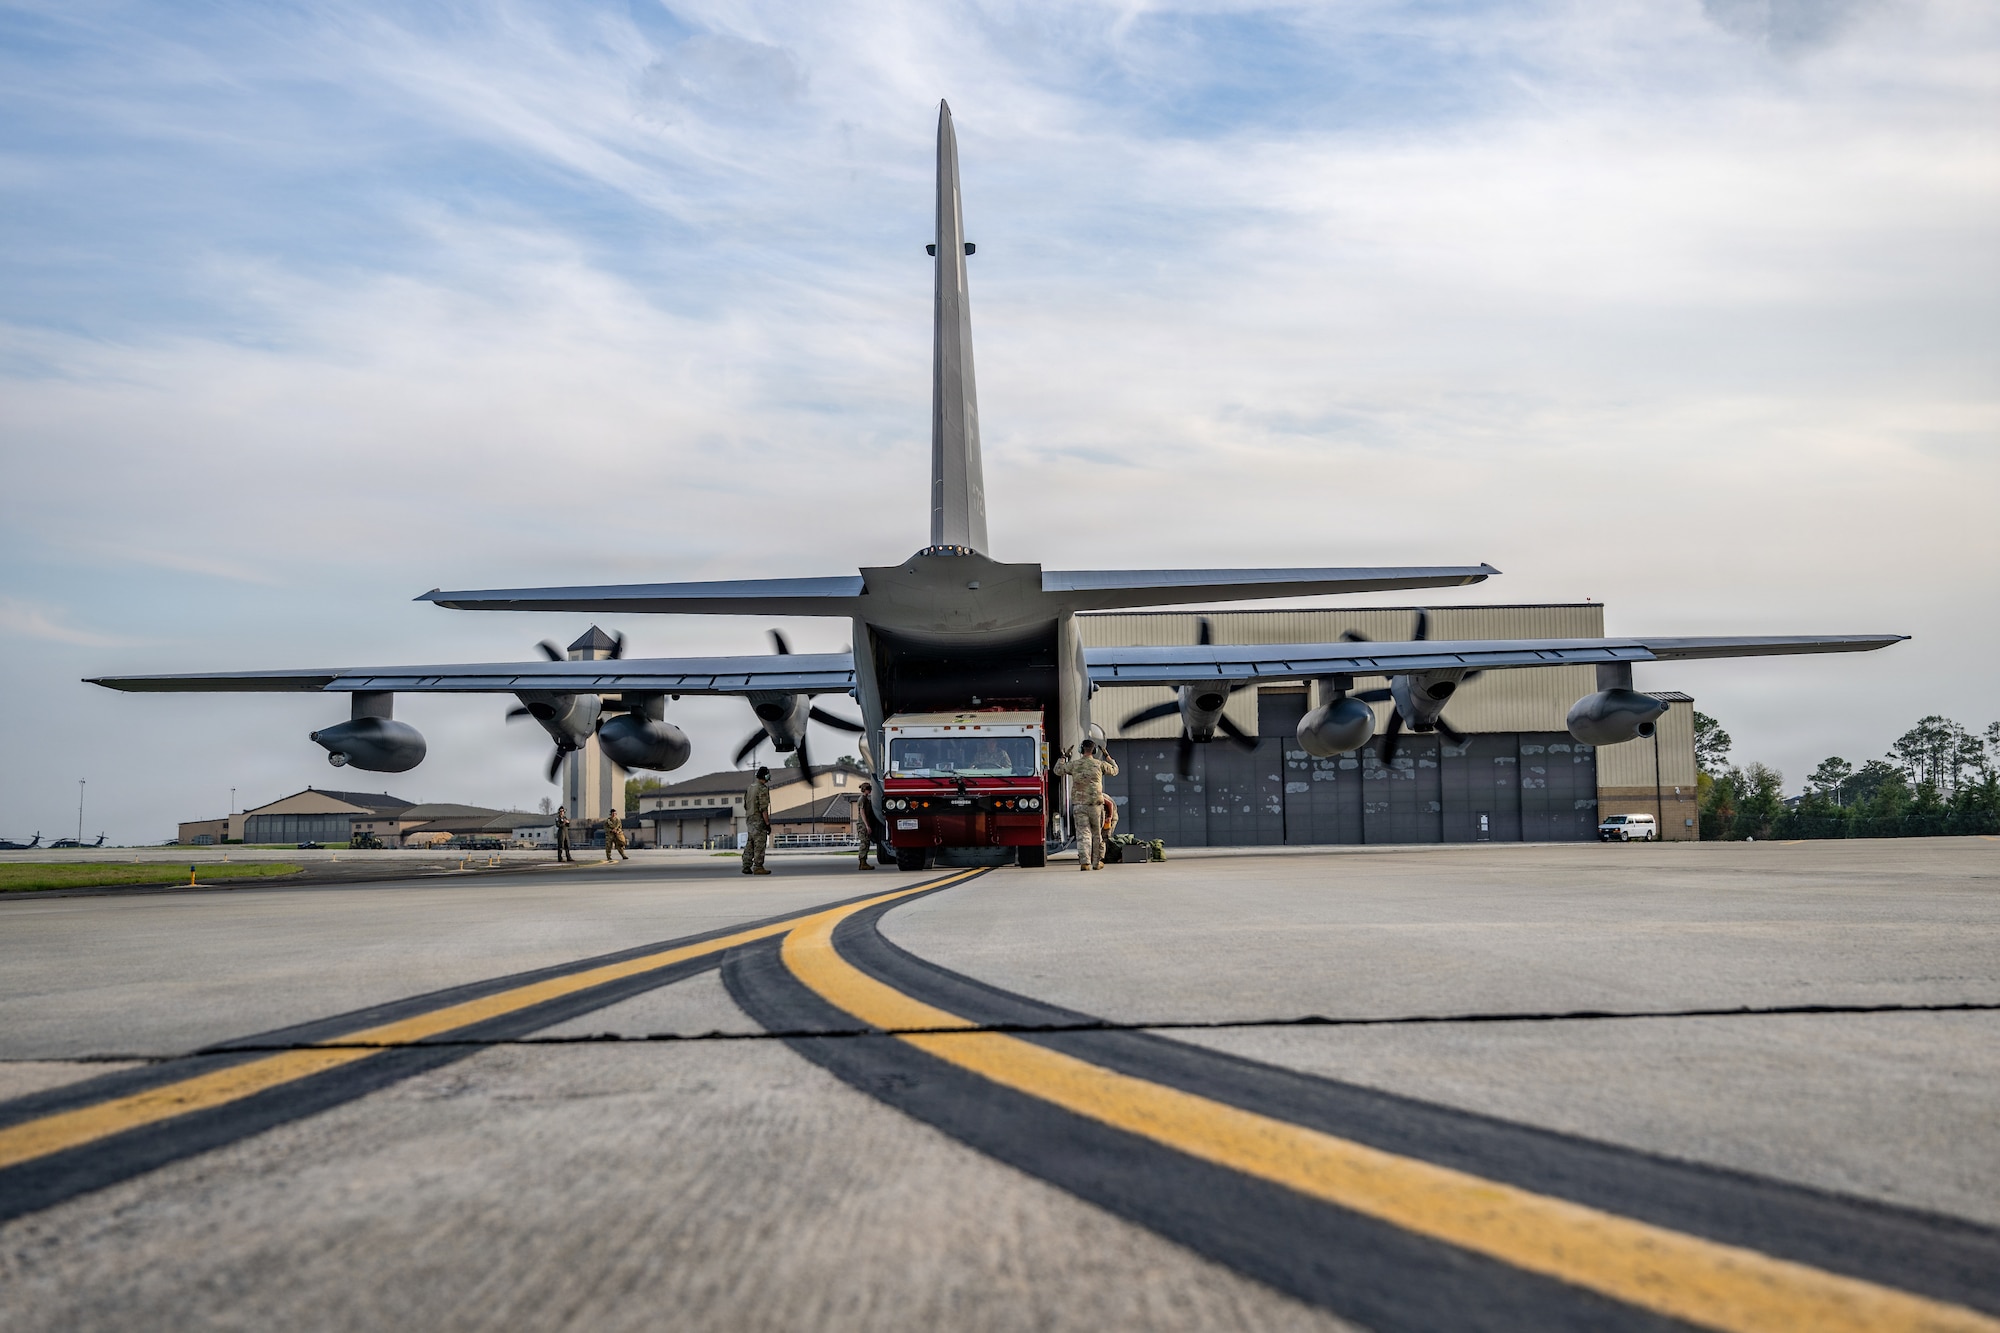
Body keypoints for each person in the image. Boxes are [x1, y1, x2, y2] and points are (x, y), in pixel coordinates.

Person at [1052, 738, 1118, 872]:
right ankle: (1097, 862)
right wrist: (1107, 756)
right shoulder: (1100, 764)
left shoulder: (1075, 765)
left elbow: (1057, 770)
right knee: (1097, 834)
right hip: (1096, 805)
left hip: (1079, 805)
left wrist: (1063, 757)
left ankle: (1085, 863)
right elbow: (1115, 770)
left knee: (1083, 834)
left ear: (1081, 750)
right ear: (1094, 750)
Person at [742, 766, 773, 875]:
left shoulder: (750, 787)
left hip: (749, 819)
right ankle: (758, 866)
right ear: (766, 776)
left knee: (750, 843)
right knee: (760, 844)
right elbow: (763, 808)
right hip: (758, 820)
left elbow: (745, 805)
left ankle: (746, 865)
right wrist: (767, 823)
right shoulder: (762, 789)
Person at [854, 780, 887, 870]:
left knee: (866, 843)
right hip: (863, 824)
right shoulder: (862, 799)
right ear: (866, 790)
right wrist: (867, 825)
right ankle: (862, 862)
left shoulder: (866, 799)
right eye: (869, 789)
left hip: (865, 823)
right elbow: (862, 813)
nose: (870, 791)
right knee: (864, 843)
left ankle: (863, 862)